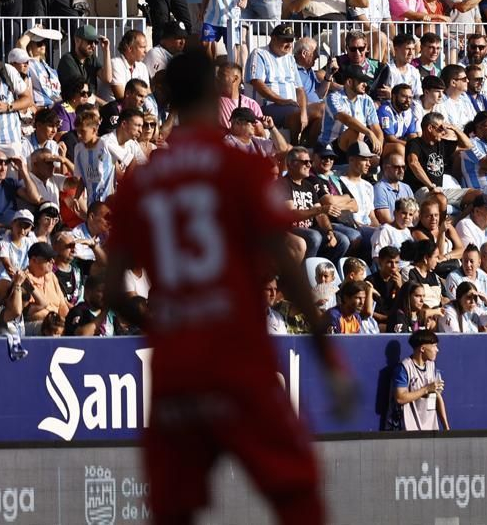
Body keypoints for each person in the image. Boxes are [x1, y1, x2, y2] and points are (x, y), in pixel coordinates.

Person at [102, 44, 354, 525]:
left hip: (177, 367)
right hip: (237, 353)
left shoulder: (140, 183)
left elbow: (113, 291)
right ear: (212, 92)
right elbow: (288, 264)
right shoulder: (241, 168)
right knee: (296, 496)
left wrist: (167, 324)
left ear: (169, 97)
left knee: (172, 512)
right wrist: (327, 355)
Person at [394, 328, 449, 431]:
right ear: (423, 349)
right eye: (434, 346)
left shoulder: (431, 365)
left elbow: (437, 397)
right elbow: (400, 398)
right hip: (409, 430)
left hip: (431, 429)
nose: (437, 350)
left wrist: (446, 427)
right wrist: (426, 389)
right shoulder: (404, 368)